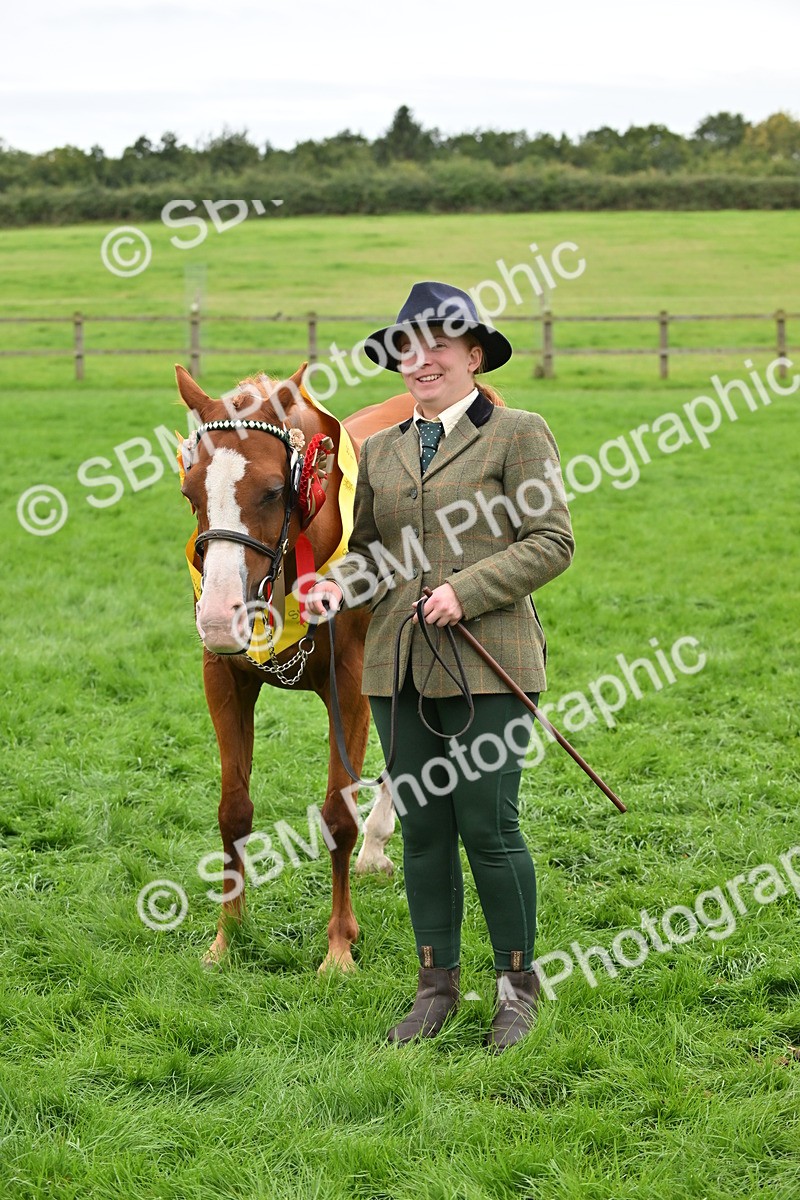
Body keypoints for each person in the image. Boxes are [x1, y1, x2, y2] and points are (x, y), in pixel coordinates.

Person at [307, 281, 574, 1051]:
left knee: (488, 827)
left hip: (492, 665)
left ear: (474, 354)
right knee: (422, 831)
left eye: (439, 347)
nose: (420, 362)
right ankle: (435, 988)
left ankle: (515, 991)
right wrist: (337, 586)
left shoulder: (519, 432)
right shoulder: (381, 450)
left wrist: (467, 588)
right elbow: (371, 559)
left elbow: (552, 540)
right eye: (406, 350)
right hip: (396, 667)